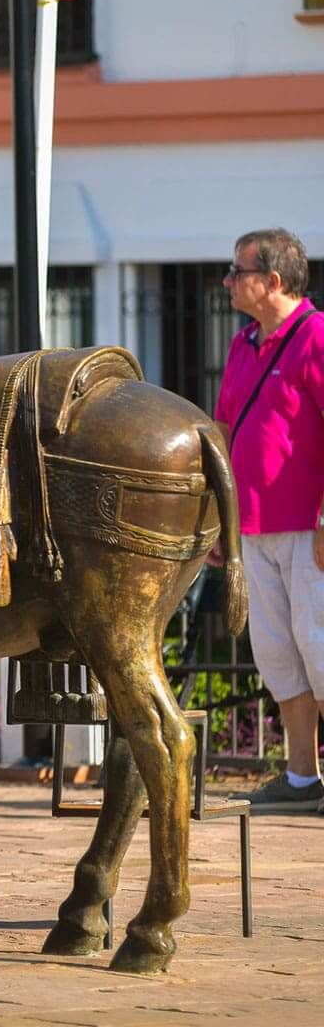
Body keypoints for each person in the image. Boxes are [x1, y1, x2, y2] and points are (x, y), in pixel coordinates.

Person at [213, 228, 324, 810]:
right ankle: (303, 779)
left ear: (273, 280)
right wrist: (218, 517)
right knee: (278, 651)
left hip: (310, 528)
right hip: (254, 528)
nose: (228, 281)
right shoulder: (241, 345)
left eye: (237, 271)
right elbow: (225, 432)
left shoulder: (318, 338)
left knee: (321, 646)